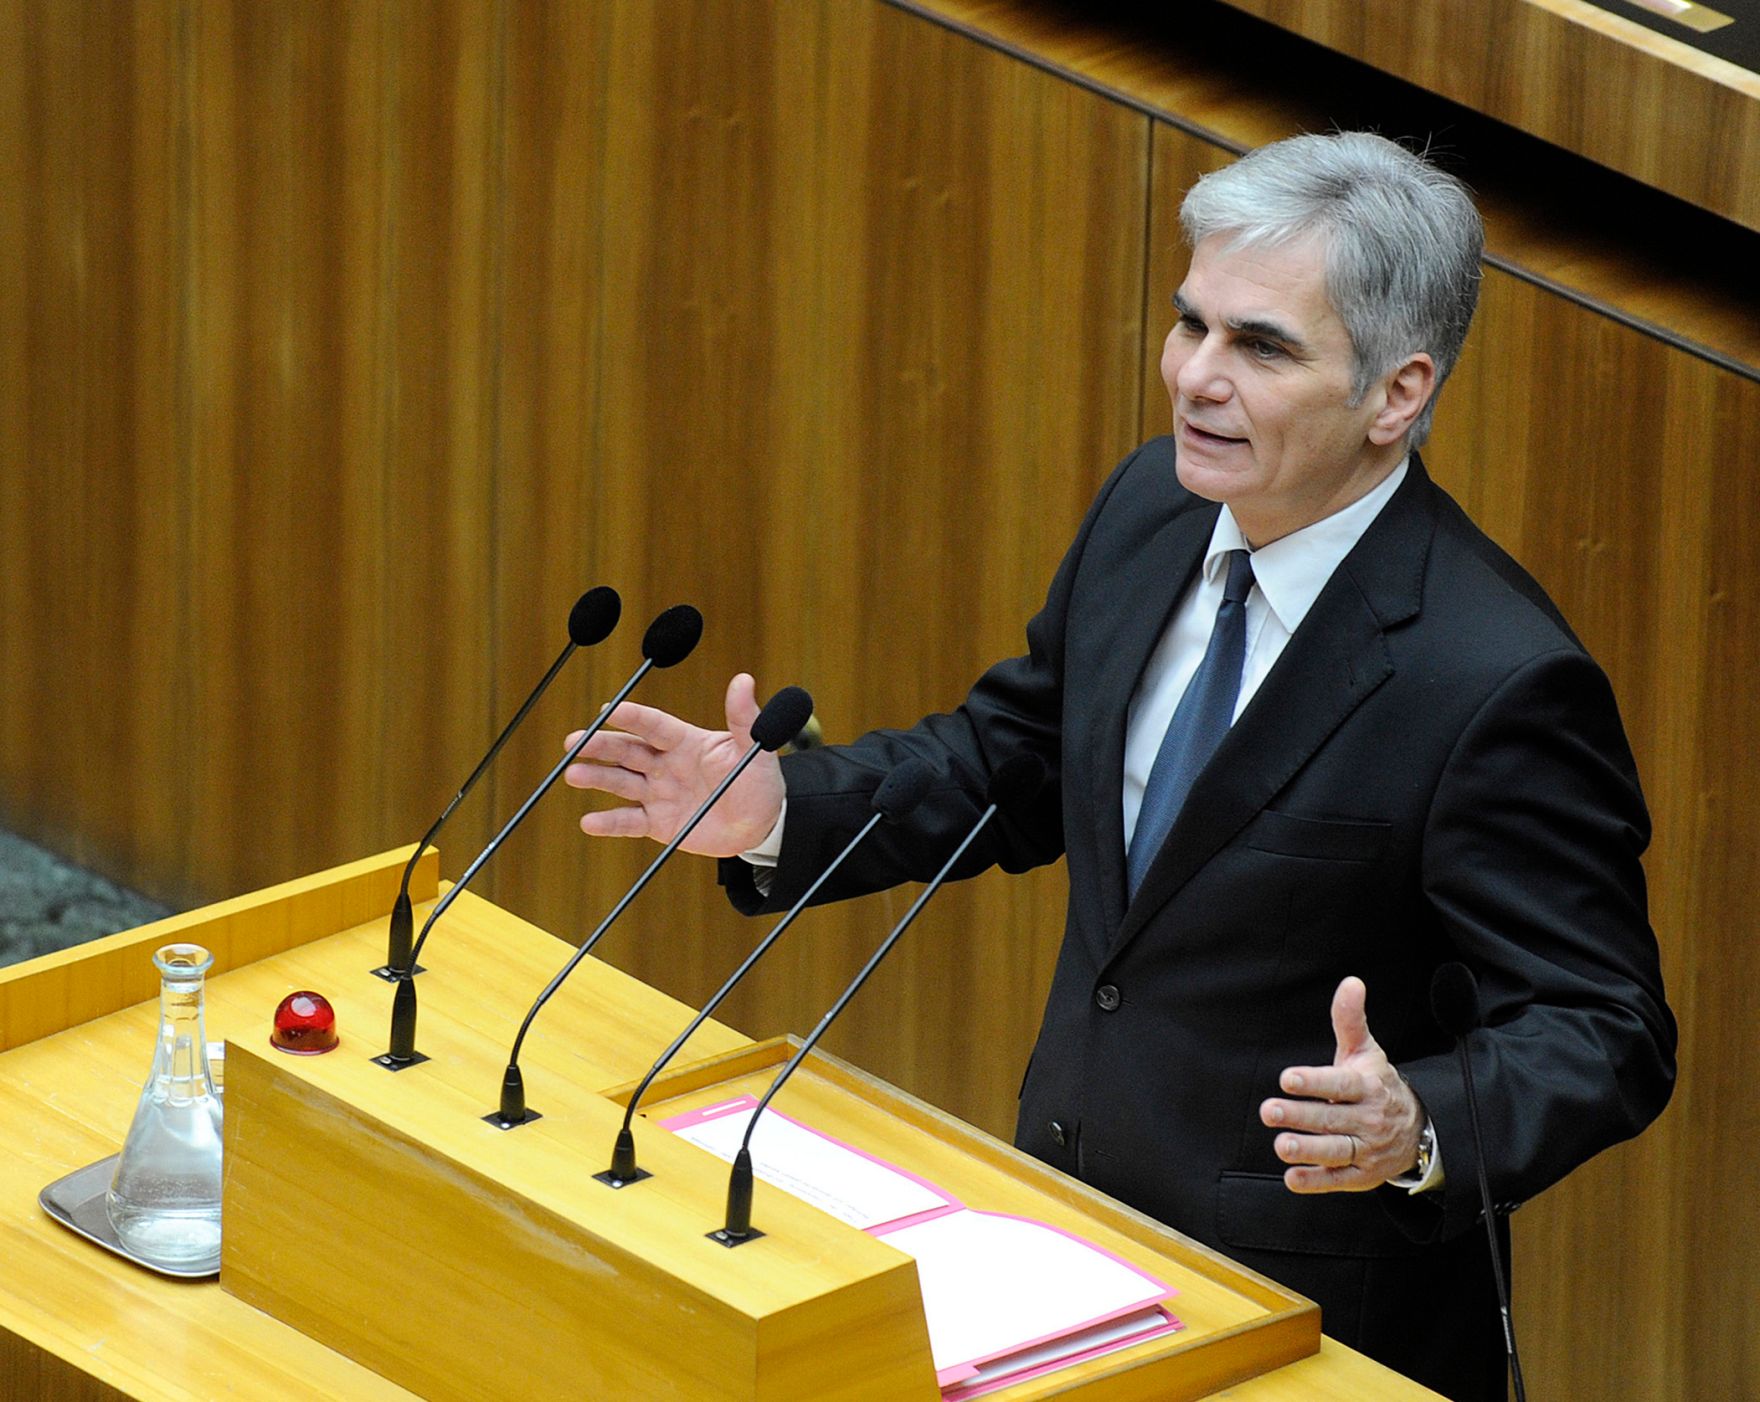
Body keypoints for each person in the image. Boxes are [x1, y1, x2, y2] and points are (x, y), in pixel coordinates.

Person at [563, 132, 1676, 1401]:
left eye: (1259, 347)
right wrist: (780, 808)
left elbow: (1604, 1026)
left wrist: (1419, 1121)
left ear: (1395, 393)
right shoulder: (1153, 509)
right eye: (1188, 324)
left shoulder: (1493, 678)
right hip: (1063, 1242)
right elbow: (1018, 756)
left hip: (1303, 1318)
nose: (1194, 378)